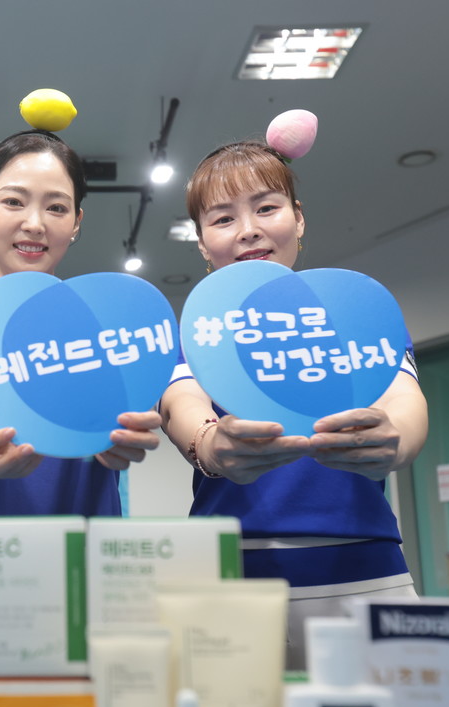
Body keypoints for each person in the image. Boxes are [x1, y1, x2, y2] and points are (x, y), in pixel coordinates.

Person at [159, 140, 429, 669]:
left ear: (298, 218)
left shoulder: (354, 314)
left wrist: (394, 439)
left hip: (365, 569)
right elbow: (180, 404)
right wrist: (210, 444)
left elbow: (405, 399)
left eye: (266, 208)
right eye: (223, 218)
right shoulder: (196, 333)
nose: (248, 230)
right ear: (202, 242)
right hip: (229, 577)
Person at [0, 130, 162, 520]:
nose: (35, 223)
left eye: (56, 208)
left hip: (86, 550)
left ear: (76, 222)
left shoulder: (107, 333)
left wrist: (121, 424)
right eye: (13, 202)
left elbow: (129, 400)